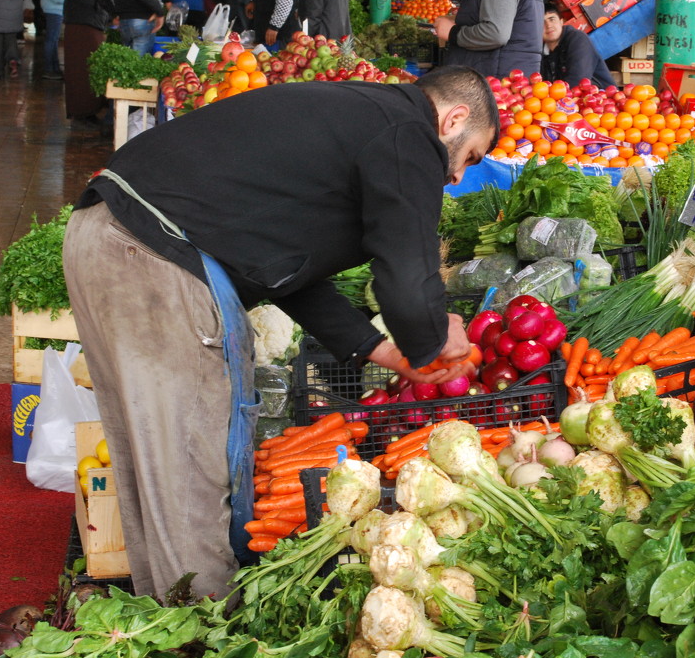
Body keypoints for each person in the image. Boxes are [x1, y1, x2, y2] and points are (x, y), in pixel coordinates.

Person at [61, 64, 497, 598]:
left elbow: (287, 274)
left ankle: (164, 619)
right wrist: (433, 338)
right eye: (469, 156)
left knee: (153, 461)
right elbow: (407, 266)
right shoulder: (407, 131)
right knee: (189, 467)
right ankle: (199, 628)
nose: (457, 177)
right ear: (452, 119)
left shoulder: (360, 119)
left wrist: (386, 352)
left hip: (104, 236)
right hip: (154, 257)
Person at [63, 0, 114, 121]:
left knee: (82, 68)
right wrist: (114, 12)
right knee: (84, 70)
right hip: (84, 24)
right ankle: (84, 112)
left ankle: (85, 110)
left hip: (81, 23)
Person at [541, 4, 613, 88]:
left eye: (552, 19)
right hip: (562, 99)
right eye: (542, 22)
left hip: (600, 97)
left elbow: (577, 82)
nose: (548, 25)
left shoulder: (577, 39)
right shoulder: (540, 51)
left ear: (561, 21)